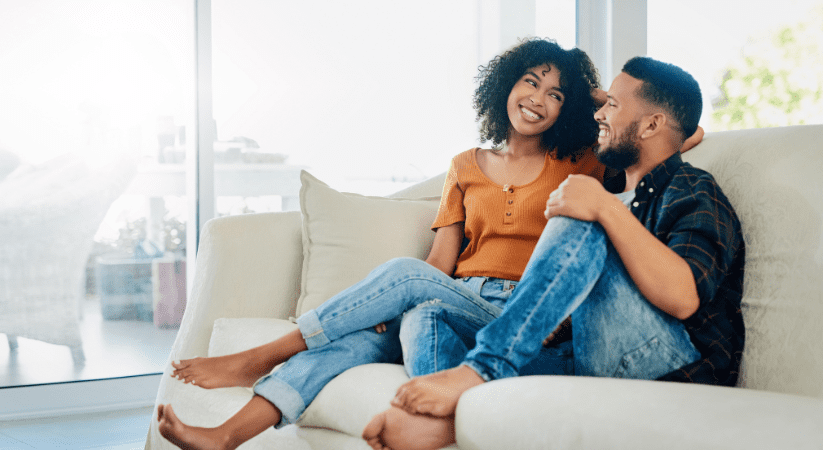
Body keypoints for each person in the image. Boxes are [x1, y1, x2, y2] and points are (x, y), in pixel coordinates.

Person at [156, 37, 608, 450]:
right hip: (459, 300)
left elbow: (635, 128)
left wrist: (590, 95)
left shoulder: (581, 162)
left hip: (522, 314)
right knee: (365, 338)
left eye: (556, 95)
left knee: (411, 288)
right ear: (506, 84)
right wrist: (384, 308)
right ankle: (226, 436)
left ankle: (271, 353)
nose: (538, 99)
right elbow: (440, 262)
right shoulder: (465, 166)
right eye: (530, 81)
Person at [364, 56, 745, 450]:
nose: (599, 114)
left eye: (611, 105)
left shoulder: (691, 188)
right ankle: (449, 421)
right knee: (430, 314)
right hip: (588, 356)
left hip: (672, 367)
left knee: (578, 212)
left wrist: (602, 207)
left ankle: (482, 369)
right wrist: (590, 98)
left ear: (651, 125)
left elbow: (684, 298)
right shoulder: (619, 193)